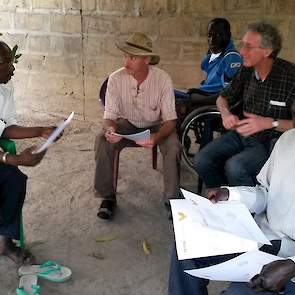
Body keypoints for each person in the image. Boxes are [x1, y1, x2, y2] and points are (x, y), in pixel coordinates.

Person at [168, 101, 295, 295]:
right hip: (261, 239)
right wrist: (230, 194)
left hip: (288, 264)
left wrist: (291, 266)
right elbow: (265, 192)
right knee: (186, 247)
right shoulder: (288, 140)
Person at [194, 21, 295, 188]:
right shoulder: (247, 69)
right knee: (202, 160)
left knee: (235, 167)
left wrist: (268, 123)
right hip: (242, 133)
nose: (241, 51)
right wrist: (226, 114)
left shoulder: (290, 76)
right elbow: (222, 97)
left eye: (249, 47)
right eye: (243, 45)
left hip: (271, 142)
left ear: (267, 51)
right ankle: (221, 196)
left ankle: (249, 210)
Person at [94, 32, 181, 220]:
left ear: (147, 59)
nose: (125, 62)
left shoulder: (163, 79)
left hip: (158, 126)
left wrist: (156, 138)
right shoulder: (115, 79)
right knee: (102, 140)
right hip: (129, 124)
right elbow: (109, 116)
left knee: (173, 146)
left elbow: (170, 121)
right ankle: (107, 196)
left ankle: (172, 200)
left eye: (132, 57)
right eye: (125, 56)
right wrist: (110, 129)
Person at [0, 41, 60, 264]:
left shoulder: (5, 88)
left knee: (15, 180)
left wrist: (41, 131)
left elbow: (5, 126)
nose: (13, 68)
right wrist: (12, 158)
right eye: (6, 63)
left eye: (12, 61)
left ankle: (6, 243)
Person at [175, 18, 242, 129]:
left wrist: (195, 101)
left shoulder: (232, 58)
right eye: (209, 36)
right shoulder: (215, 55)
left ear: (228, 35)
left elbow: (228, 94)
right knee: (169, 94)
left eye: (217, 35)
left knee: (175, 102)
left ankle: (177, 138)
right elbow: (205, 66)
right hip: (202, 93)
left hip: (210, 98)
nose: (212, 40)